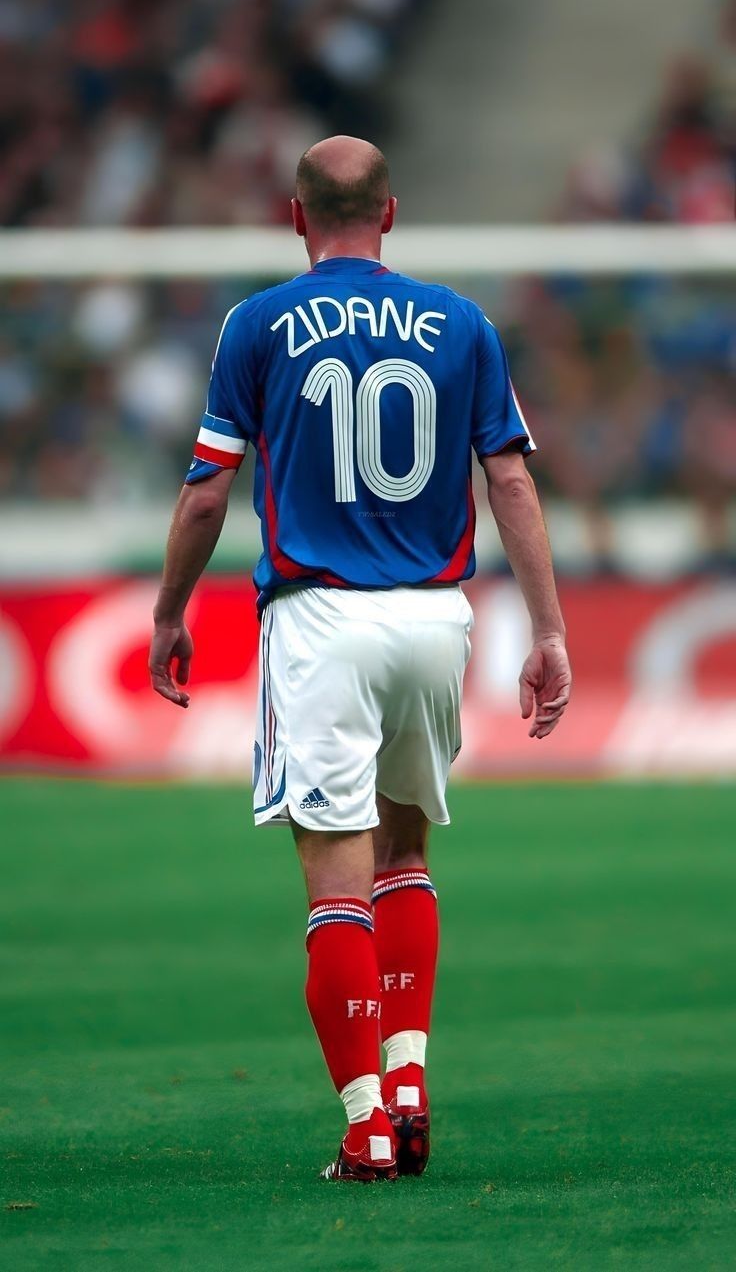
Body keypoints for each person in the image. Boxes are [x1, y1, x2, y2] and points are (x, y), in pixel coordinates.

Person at [149, 135, 571, 1182]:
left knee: (333, 883)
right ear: (388, 214)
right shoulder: (460, 323)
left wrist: (169, 612)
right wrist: (550, 630)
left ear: (297, 217)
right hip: (434, 621)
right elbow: (511, 484)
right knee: (407, 857)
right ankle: (412, 1073)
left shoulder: (258, 324)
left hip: (321, 622)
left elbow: (207, 491)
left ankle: (366, 1122)